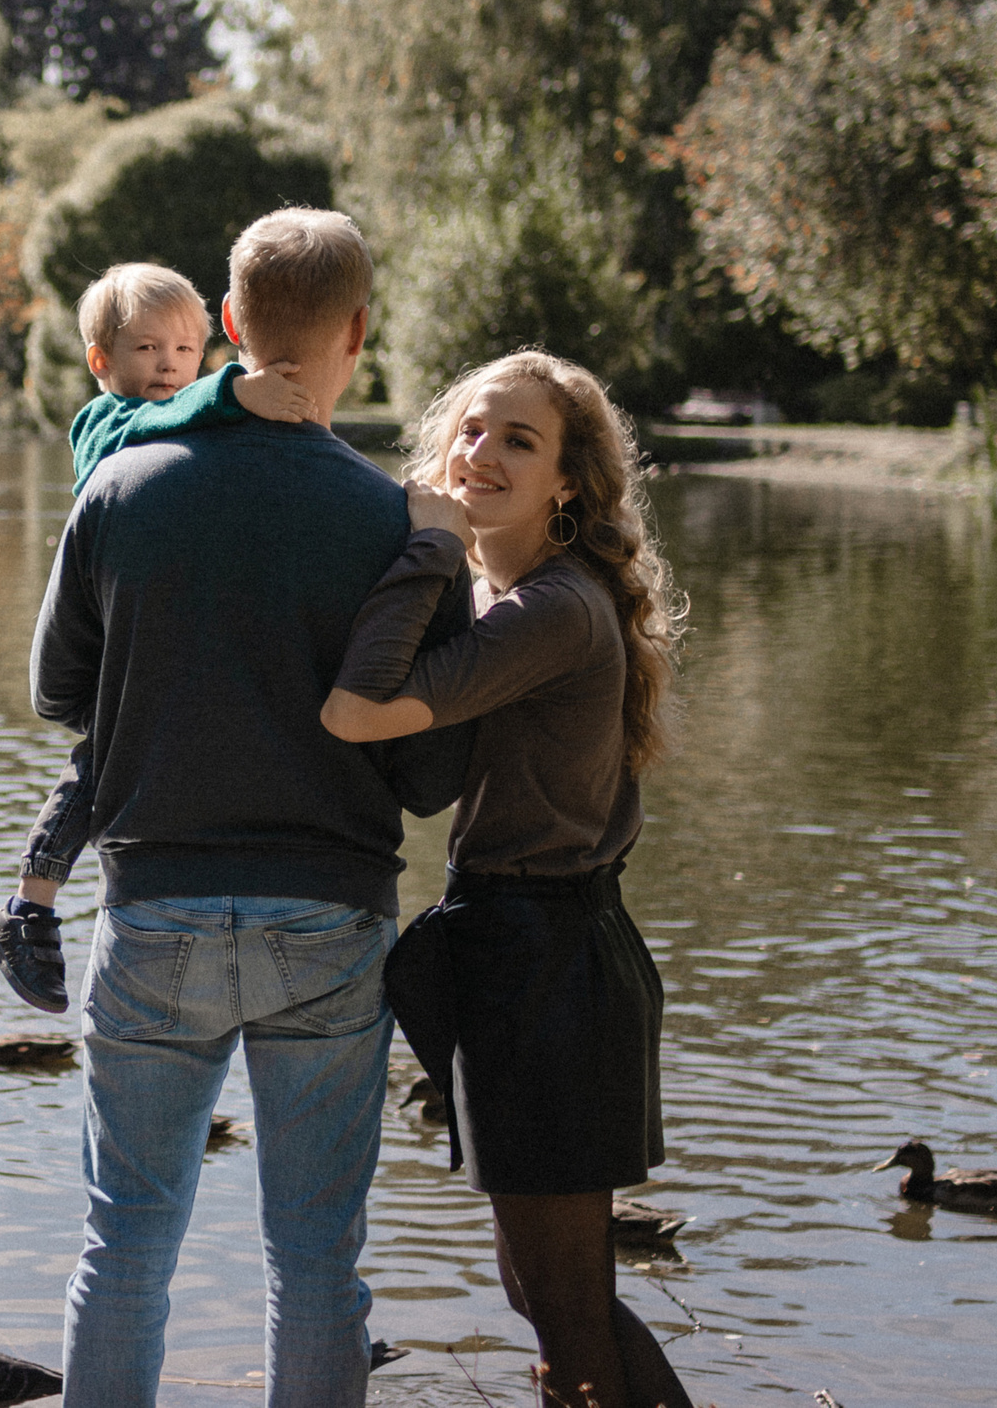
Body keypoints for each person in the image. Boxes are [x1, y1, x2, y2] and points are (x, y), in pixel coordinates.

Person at [29, 209, 472, 1408]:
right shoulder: (401, 525)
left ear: (226, 324)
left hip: (155, 908)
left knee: (124, 1242)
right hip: (330, 919)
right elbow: (430, 778)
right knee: (316, 1261)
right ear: (359, 332)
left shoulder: (120, 484)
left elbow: (57, 694)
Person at [318, 349, 691, 1408]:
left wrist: (430, 543)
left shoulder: (551, 610)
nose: (480, 452)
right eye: (471, 429)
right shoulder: (512, 595)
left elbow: (356, 711)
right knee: (545, 1293)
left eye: (518, 441)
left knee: (562, 1302)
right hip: (532, 952)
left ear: (567, 483)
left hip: (551, 963)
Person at [0, 261, 318, 1012]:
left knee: (114, 761)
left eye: (185, 349)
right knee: (97, 761)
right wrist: (235, 391)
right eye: (146, 348)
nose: (169, 364)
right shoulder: (102, 422)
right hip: (116, 635)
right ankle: (28, 905)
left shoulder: (188, 416)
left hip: (161, 632)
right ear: (101, 361)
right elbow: (144, 430)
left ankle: (41, 902)